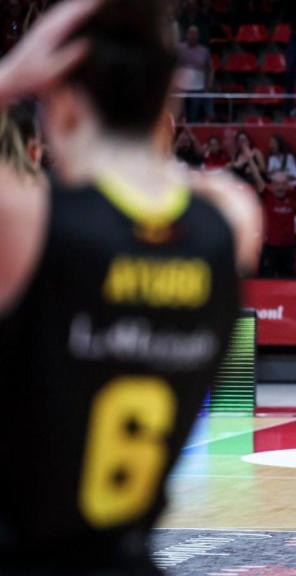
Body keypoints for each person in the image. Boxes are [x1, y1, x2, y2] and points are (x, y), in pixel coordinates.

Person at [0, 0, 262, 570]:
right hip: (128, 555)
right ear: (167, 102)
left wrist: (10, 77)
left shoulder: (28, 224)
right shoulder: (231, 221)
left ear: (59, 103)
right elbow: (168, 185)